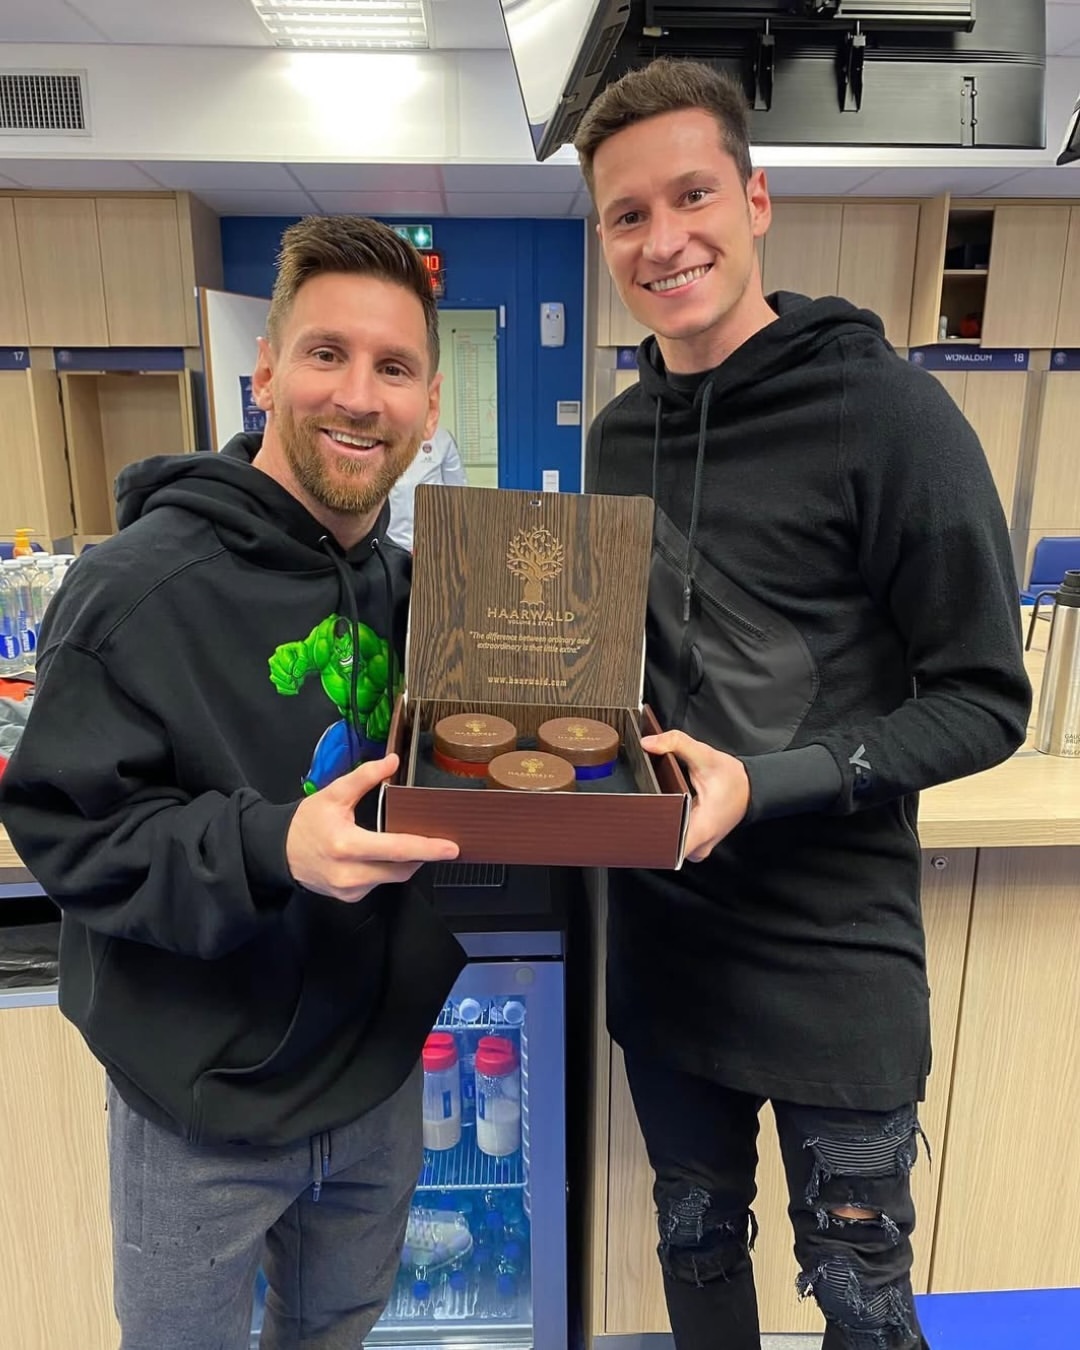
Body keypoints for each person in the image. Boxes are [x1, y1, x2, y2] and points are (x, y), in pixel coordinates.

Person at [574, 58, 1031, 1350]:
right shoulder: (618, 440)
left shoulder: (889, 415)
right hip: (669, 945)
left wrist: (767, 782)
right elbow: (615, 683)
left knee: (859, 1294)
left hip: (836, 954)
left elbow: (983, 698)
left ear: (756, 199)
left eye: (693, 195)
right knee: (694, 1248)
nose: (664, 239)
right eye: (626, 214)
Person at [0, 215, 467, 1350]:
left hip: (373, 1087)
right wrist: (273, 846)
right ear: (263, 373)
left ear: (429, 406)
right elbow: (72, 834)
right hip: (196, 1110)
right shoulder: (130, 591)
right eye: (326, 354)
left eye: (393, 367)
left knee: (338, 1331)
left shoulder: (417, 593)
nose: (358, 396)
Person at [386, 424, 468, 551]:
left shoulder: (441, 438)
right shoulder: (380, 435)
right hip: (388, 543)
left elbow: (458, 495)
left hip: (433, 543)